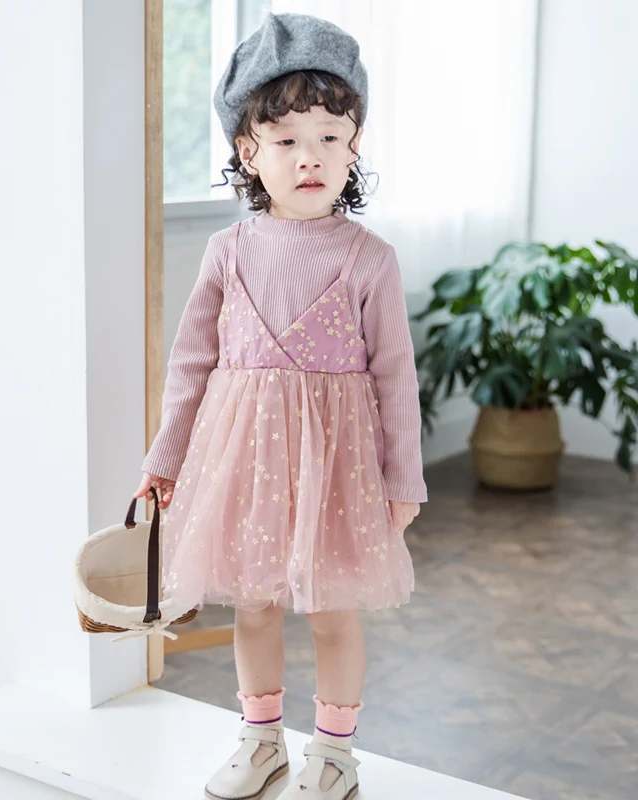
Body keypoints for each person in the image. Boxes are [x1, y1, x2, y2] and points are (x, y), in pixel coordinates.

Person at [134, 13, 427, 800]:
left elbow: (396, 378)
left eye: (330, 137)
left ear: (355, 146)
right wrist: (165, 457)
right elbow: (190, 364)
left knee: (331, 612)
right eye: (288, 139)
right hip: (244, 466)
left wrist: (403, 481)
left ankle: (334, 754)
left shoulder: (371, 260)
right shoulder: (226, 252)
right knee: (255, 606)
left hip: (337, 473)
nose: (310, 157)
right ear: (247, 152)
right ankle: (260, 740)